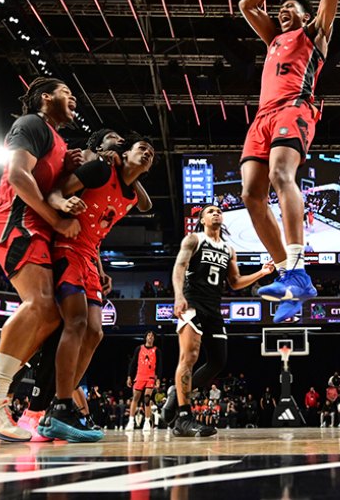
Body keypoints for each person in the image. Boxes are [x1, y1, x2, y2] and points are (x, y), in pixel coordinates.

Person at [0, 77, 83, 442]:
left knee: (50, 315)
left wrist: (65, 168)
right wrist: (58, 219)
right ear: (45, 98)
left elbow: (48, 184)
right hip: (16, 221)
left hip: (35, 225)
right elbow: (17, 174)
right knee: (39, 303)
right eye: (66, 93)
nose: (73, 98)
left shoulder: (57, 140)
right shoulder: (31, 124)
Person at [238, 0, 340, 322]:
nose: (282, 12)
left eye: (289, 8)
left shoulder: (314, 35)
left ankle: (297, 266)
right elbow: (247, 4)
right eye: (279, 9)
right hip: (262, 117)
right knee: (250, 195)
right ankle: (290, 278)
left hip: (295, 109)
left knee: (283, 177)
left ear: (305, 14)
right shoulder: (273, 38)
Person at [38, 132, 155, 441]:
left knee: (95, 332)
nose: (148, 154)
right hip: (66, 247)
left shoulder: (130, 195)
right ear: (124, 153)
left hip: (90, 258)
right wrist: (63, 201)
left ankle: (57, 407)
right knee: (75, 323)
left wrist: (101, 268)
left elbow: (145, 203)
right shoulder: (99, 170)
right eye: (142, 148)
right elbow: (54, 193)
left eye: (152, 155)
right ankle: (60, 404)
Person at [161, 205, 274, 437]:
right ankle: (183, 418)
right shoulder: (193, 239)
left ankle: (176, 393)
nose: (216, 213)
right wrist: (178, 296)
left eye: (219, 211)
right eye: (210, 211)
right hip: (192, 303)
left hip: (213, 309)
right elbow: (179, 267)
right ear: (202, 219)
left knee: (218, 362)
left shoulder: (229, 249)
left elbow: (235, 282)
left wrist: (261, 273)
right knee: (189, 357)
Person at [127, 331, 162, 431]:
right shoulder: (139, 349)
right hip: (139, 376)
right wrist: (129, 376)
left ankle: (147, 422)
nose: (150, 337)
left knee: (147, 399)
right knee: (135, 398)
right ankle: (131, 421)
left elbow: (159, 366)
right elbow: (133, 363)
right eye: (149, 335)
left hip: (150, 377)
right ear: (146, 337)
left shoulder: (157, 350)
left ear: (154, 339)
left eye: (152, 336)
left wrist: (158, 379)